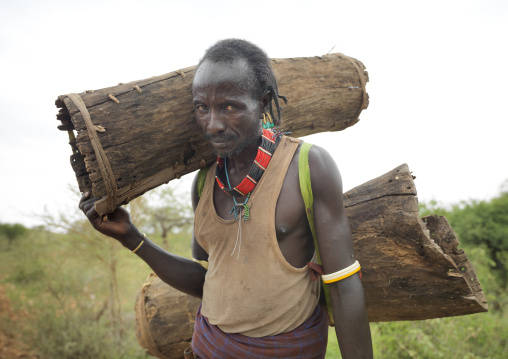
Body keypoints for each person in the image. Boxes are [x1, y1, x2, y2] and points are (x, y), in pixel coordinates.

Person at [79, 39, 373, 359]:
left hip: (288, 350)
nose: (213, 124)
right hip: (211, 348)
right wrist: (132, 238)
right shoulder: (204, 182)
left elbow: (344, 286)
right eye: (202, 108)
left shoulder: (308, 166)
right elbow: (209, 281)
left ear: (262, 103)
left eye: (229, 106)